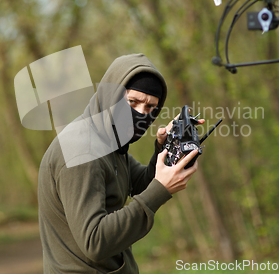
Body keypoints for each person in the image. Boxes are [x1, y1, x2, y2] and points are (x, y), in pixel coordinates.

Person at [38, 54, 199, 273]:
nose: (142, 114)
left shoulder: (109, 141)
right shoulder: (82, 150)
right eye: (133, 102)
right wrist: (160, 191)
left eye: (151, 108)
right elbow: (95, 242)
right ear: (110, 95)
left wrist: (167, 149)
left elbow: (140, 182)